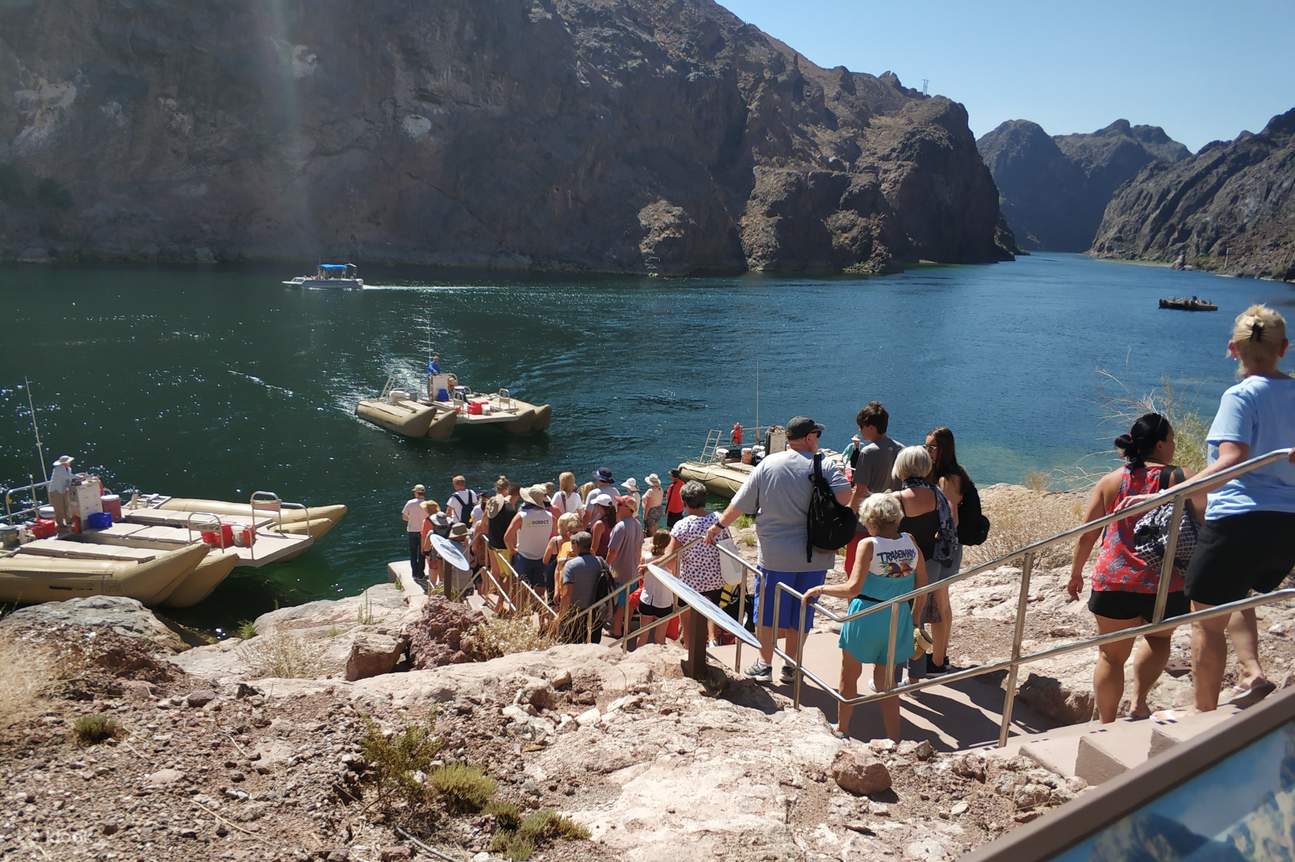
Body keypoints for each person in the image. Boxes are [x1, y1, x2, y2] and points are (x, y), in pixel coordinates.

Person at [1119, 305, 1295, 714]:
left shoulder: (1241, 395)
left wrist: (1165, 496)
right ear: (1283, 348)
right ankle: (1251, 673)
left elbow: (1232, 459)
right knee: (1237, 594)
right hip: (1287, 526)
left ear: (1232, 349)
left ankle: (1203, 720)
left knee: (1207, 622)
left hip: (1238, 521)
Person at [1067, 414, 1193, 721]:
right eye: (1172, 440)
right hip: (1165, 581)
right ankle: (1138, 703)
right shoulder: (1180, 477)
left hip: (1114, 580)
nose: (1174, 445)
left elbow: (1088, 534)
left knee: (1110, 656)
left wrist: (1076, 573)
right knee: (1160, 639)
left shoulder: (1111, 481)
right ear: (1161, 444)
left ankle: (1106, 722)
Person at [706, 416, 851, 684]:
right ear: (808, 438)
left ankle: (764, 664)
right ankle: (792, 667)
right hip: (815, 554)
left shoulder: (768, 465)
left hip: (775, 556)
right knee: (802, 612)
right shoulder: (825, 464)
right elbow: (845, 498)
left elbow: (739, 505)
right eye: (817, 435)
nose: (818, 440)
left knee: (768, 612)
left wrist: (717, 526)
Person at [806, 493, 927, 741]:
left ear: (869, 519)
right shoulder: (910, 541)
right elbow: (923, 584)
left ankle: (843, 729)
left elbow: (853, 588)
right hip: (898, 616)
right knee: (887, 683)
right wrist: (914, 620)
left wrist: (820, 589)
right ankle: (894, 738)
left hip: (867, 616)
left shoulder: (869, 545)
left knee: (849, 674)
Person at [893, 445, 958, 676]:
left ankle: (893, 673)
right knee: (917, 619)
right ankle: (916, 673)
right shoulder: (937, 495)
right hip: (930, 562)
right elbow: (948, 528)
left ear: (902, 468)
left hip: (901, 565)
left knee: (897, 620)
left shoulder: (896, 499)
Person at [663, 480, 731, 648]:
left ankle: (690, 647)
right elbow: (729, 546)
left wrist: (672, 574)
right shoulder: (718, 520)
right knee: (713, 611)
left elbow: (670, 558)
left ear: (684, 502)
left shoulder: (682, 525)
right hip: (716, 579)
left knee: (687, 618)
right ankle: (712, 640)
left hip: (690, 583)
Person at [923, 427, 969, 675]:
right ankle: (939, 655)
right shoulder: (953, 473)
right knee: (942, 601)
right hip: (949, 547)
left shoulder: (947, 479)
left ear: (943, 449)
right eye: (925, 446)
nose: (927, 451)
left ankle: (938, 661)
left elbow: (951, 517)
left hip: (944, 549)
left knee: (940, 603)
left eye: (931, 447)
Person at [843, 402, 904, 576]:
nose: (860, 430)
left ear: (870, 427)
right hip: (892, 519)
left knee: (855, 569)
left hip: (867, 521)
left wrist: (848, 515)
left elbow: (860, 490)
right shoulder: (901, 449)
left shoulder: (868, 452)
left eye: (861, 426)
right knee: (885, 570)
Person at [505, 484, 556, 600]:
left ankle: (521, 615)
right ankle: (540, 617)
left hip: (523, 558)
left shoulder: (522, 516)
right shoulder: (550, 516)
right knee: (540, 594)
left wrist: (512, 551)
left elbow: (507, 537)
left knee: (520, 593)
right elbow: (552, 537)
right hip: (542, 558)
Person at [605, 494, 644, 637]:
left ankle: (616, 630)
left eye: (619, 504)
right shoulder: (638, 525)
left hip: (620, 572)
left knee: (620, 602)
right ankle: (625, 628)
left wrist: (604, 566)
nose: (617, 506)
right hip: (633, 571)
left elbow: (612, 551)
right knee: (629, 602)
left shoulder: (620, 526)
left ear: (627, 508)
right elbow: (639, 549)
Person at [559, 531, 605, 644]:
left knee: (572, 645)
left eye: (572, 543)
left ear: (577, 545)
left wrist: (561, 616)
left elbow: (566, 595)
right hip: (596, 611)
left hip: (575, 613)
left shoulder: (571, 565)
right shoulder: (600, 562)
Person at [637, 529, 676, 645]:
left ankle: (637, 658)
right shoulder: (671, 560)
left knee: (642, 635)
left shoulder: (646, 557)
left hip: (646, 598)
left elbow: (642, 575)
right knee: (660, 637)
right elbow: (676, 576)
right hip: (664, 600)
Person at [544, 512, 583, 604]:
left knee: (552, 604)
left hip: (554, 576)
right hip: (568, 577)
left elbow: (545, 560)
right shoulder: (579, 543)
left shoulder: (555, 541)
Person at [420, 501, 450, 588]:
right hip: (445, 550)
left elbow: (423, 536)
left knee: (432, 570)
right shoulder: (445, 520)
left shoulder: (427, 521)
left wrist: (424, 550)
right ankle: (442, 588)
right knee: (443, 572)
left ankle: (433, 592)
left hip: (432, 549)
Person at [401, 484, 429, 577]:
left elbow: (404, 517)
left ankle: (414, 573)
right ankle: (421, 573)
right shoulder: (427, 504)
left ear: (416, 493)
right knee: (422, 553)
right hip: (423, 531)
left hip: (412, 531)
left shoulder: (410, 503)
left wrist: (411, 519)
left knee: (413, 553)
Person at [48, 454, 75, 529]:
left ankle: (69, 521)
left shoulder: (69, 469)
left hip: (63, 490)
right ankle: (60, 525)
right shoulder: (58, 469)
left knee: (66, 506)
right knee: (59, 508)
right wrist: (78, 476)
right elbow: (67, 477)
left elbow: (69, 479)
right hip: (55, 491)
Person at [588, 494, 617, 559]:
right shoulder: (615, 520)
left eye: (595, 505)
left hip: (599, 559)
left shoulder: (599, 524)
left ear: (600, 507)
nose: (594, 507)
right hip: (609, 557)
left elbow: (594, 548)